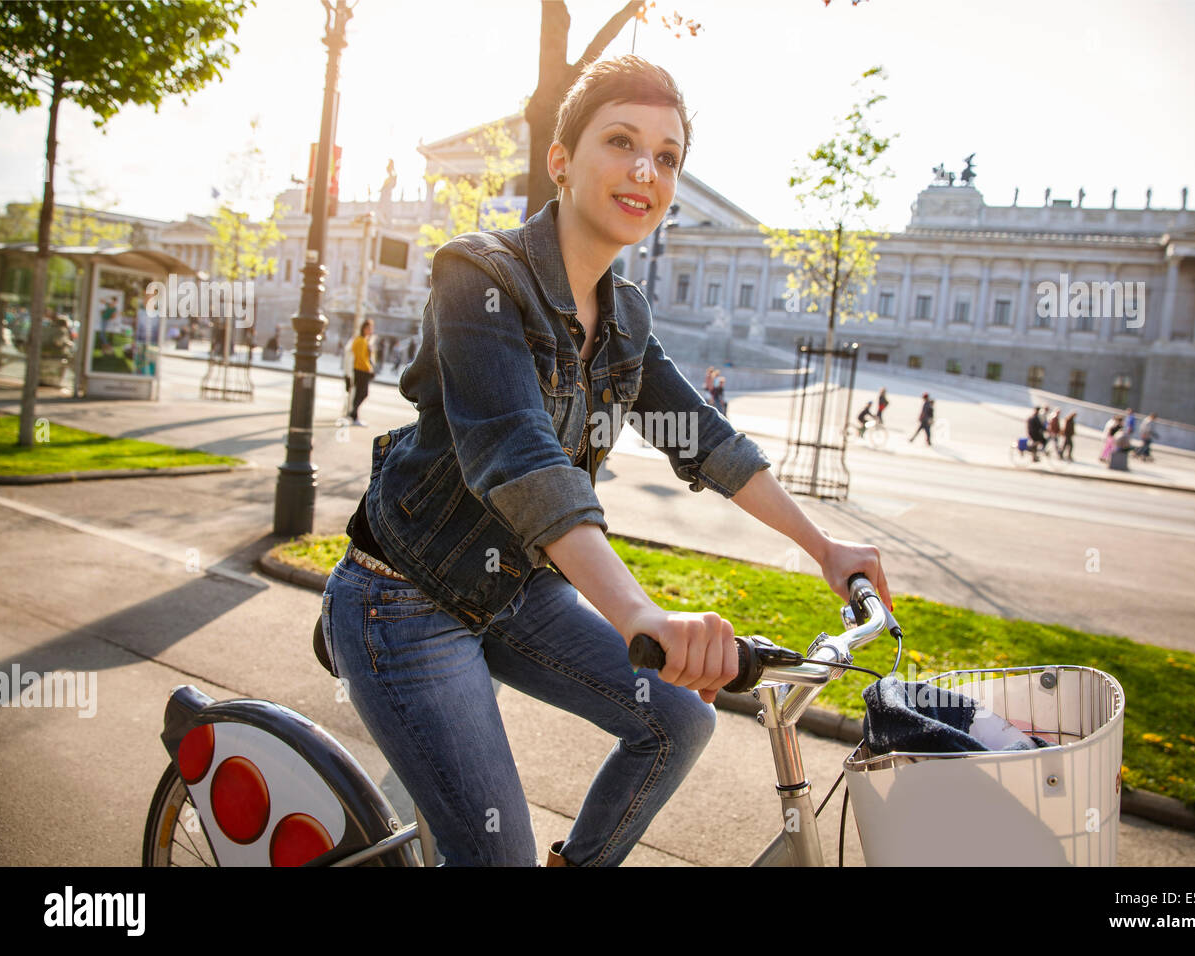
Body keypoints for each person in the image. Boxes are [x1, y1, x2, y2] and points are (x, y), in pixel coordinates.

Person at [322, 55, 891, 868]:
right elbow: (519, 458)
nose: (645, 171)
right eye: (621, 141)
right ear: (561, 159)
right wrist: (642, 618)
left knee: (679, 722)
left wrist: (826, 548)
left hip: (513, 588)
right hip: (403, 599)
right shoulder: (475, 276)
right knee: (495, 854)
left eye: (667, 157)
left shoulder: (624, 316)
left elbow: (703, 439)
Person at [349, 319, 374, 426]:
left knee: (360, 393)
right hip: (361, 370)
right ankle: (353, 413)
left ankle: (354, 414)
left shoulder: (364, 340)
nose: (370, 330)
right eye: (368, 328)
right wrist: (369, 368)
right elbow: (360, 357)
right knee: (362, 393)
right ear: (363, 329)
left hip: (361, 369)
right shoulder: (360, 340)